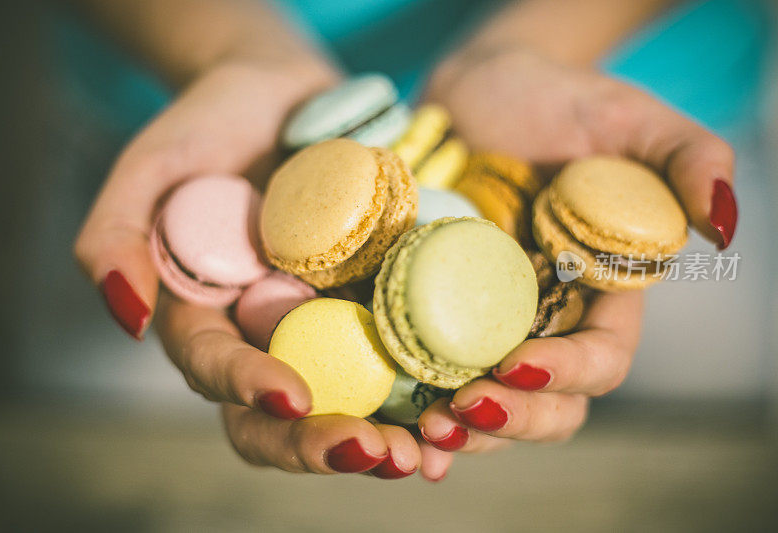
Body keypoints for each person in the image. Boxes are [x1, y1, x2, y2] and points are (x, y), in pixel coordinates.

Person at [70, 0, 737, 481]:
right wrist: (226, 47)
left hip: (647, 108)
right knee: (99, 422)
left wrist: (536, 42)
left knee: (715, 413)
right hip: (170, 94)